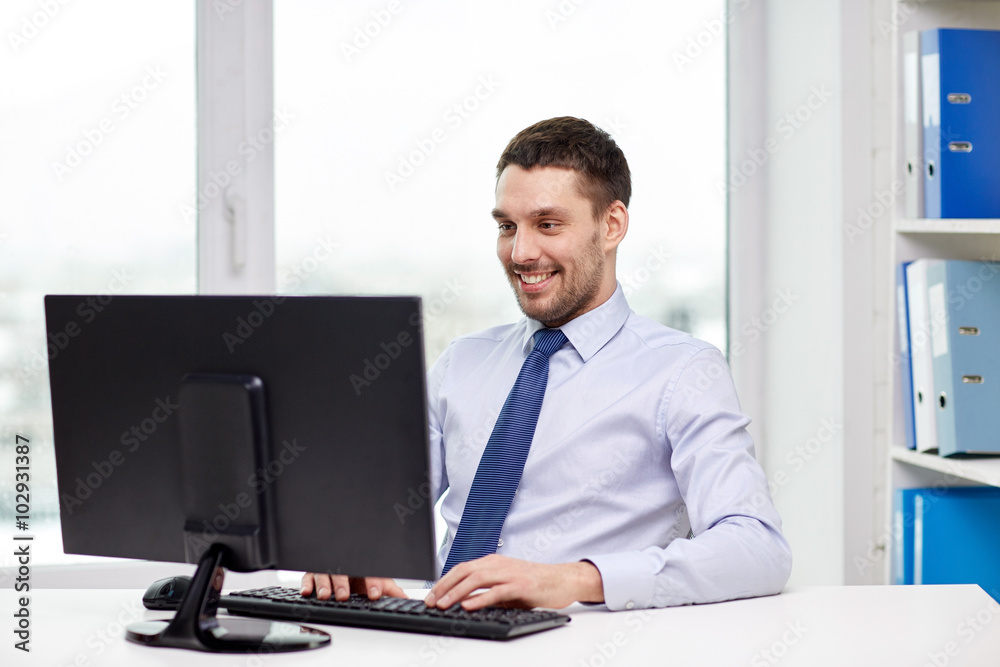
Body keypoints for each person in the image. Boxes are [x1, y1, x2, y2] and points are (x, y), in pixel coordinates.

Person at [302, 116, 791, 611]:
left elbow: (756, 546)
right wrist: (349, 553)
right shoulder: (463, 362)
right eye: (506, 227)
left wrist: (574, 581)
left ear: (612, 225)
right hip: (441, 635)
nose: (520, 252)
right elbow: (379, 515)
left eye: (548, 225)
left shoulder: (683, 372)